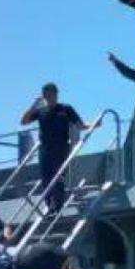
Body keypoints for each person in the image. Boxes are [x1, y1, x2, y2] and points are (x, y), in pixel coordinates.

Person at [20, 83, 85, 213]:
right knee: (46, 178)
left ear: (56, 94)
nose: (49, 96)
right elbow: (24, 121)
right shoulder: (40, 111)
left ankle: (57, 205)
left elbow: (80, 125)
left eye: (51, 93)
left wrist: (94, 125)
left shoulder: (66, 109)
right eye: (46, 94)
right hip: (45, 148)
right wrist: (34, 105)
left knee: (58, 177)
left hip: (61, 147)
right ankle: (50, 205)